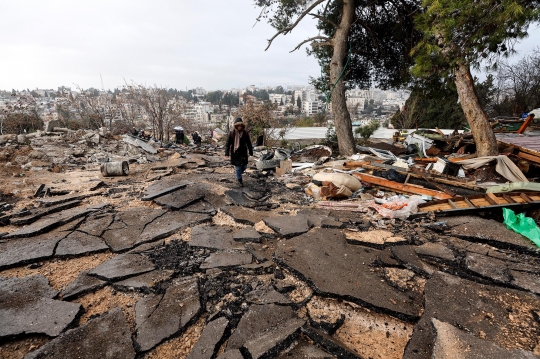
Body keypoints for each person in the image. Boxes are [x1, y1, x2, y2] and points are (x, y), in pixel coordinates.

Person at [225, 118, 253, 187]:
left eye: (240, 125)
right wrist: (226, 153)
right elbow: (228, 144)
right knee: (238, 167)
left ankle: (238, 173)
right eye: (238, 126)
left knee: (244, 166)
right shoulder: (232, 133)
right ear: (236, 126)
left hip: (243, 153)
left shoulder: (245, 133)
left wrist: (251, 151)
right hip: (235, 153)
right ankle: (240, 180)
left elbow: (249, 143)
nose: (239, 127)